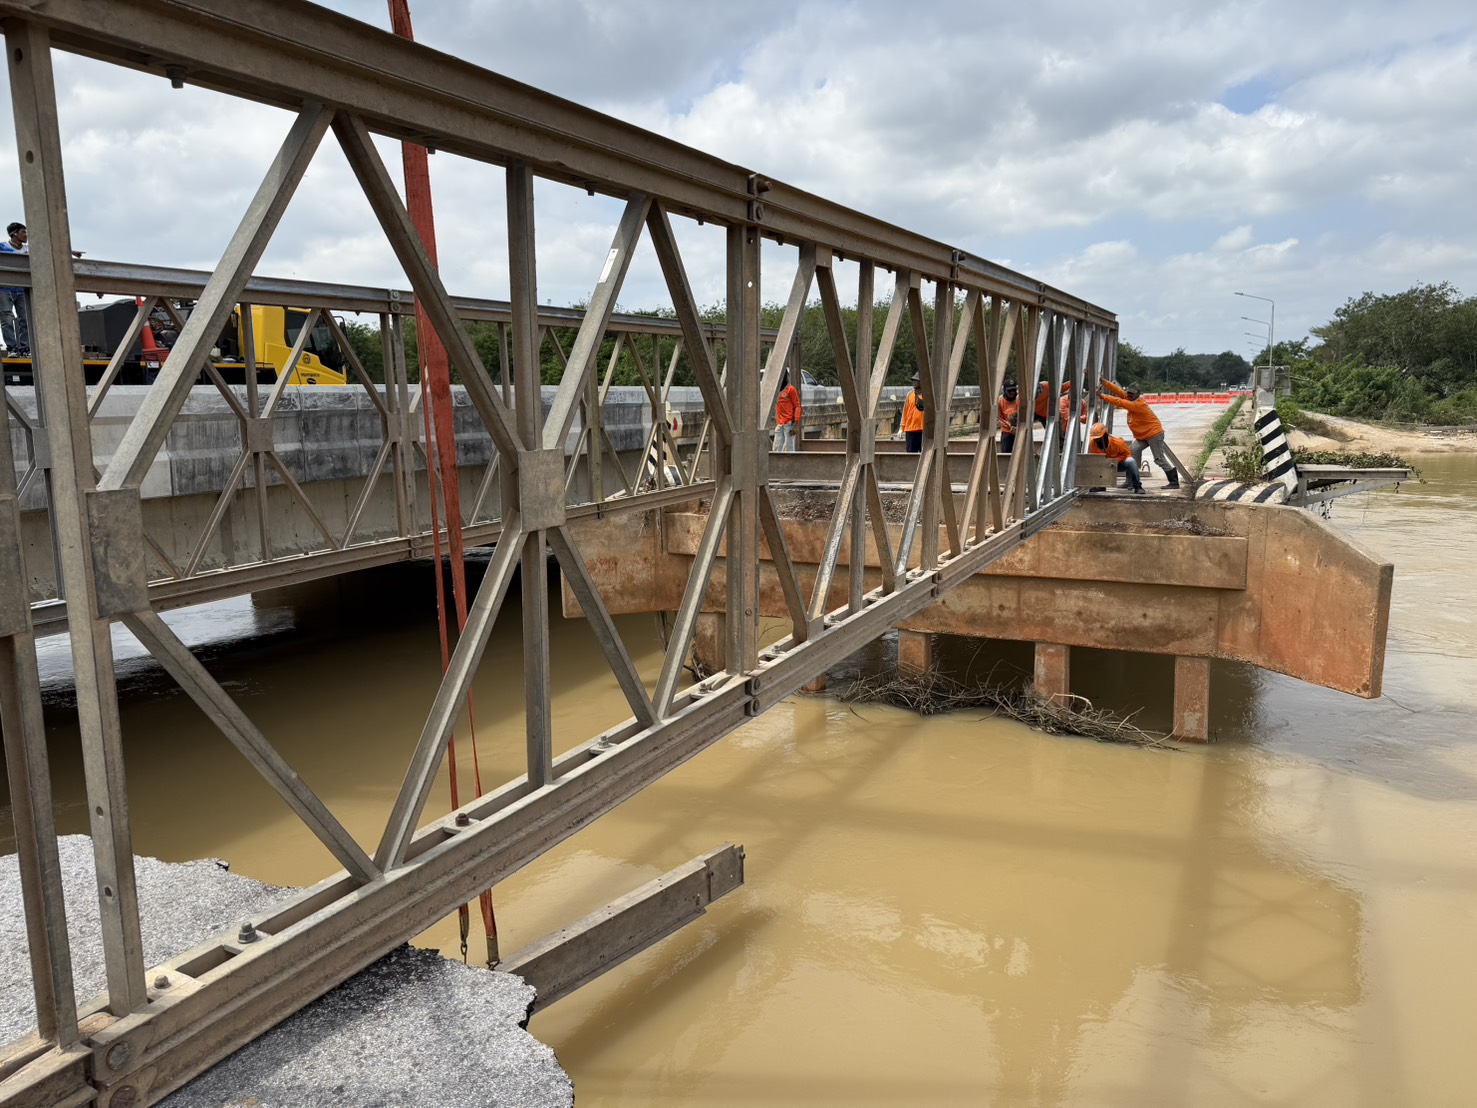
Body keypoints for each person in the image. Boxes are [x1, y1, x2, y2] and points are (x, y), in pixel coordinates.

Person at [1099, 379, 1179, 488]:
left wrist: (1102, 396)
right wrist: (1104, 382)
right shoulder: (1131, 398)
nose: (1129, 395)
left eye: (1132, 393)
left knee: (1159, 459)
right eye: (1128, 392)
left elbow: (1119, 402)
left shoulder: (1138, 404)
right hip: (1142, 436)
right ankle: (1130, 481)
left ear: (1138, 394)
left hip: (1153, 434)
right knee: (1131, 452)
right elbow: (1119, 392)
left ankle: (1174, 482)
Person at [1087, 421, 1143, 493]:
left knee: (1131, 461)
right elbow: (1096, 459)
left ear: (1104, 435)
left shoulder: (1118, 442)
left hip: (1119, 464)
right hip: (1105, 465)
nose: (1096, 440)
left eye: (1098, 438)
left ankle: (1138, 486)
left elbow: (1127, 455)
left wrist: (1113, 460)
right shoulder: (1093, 444)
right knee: (1093, 462)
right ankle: (1100, 485)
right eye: (1095, 439)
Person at [0, 222, 29, 355]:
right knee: (7, 318)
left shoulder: (28, 249)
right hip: (4, 289)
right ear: (14, 234)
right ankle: (12, 348)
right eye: (23, 232)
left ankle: (25, 348)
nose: (26, 235)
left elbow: (49, 250)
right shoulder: (2, 247)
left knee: (26, 318)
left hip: (23, 289)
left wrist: (70, 252)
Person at [773, 369, 802, 451]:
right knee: (776, 449)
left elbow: (797, 406)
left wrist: (796, 424)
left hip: (789, 423)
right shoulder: (775, 390)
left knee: (790, 448)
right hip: (780, 423)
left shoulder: (791, 389)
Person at [901, 372, 926, 452]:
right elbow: (905, 412)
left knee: (924, 453)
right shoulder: (910, 394)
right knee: (911, 454)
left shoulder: (927, 395)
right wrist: (901, 428)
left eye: (916, 380)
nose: (914, 382)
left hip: (923, 430)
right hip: (910, 429)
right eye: (913, 380)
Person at [997, 379, 1019, 454]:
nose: (1012, 392)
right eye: (1009, 391)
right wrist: (1009, 426)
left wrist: (1018, 426)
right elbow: (999, 418)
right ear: (1005, 390)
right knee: (1006, 452)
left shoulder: (1020, 399)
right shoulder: (1000, 401)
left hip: (1019, 429)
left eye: (1014, 390)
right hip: (1007, 430)